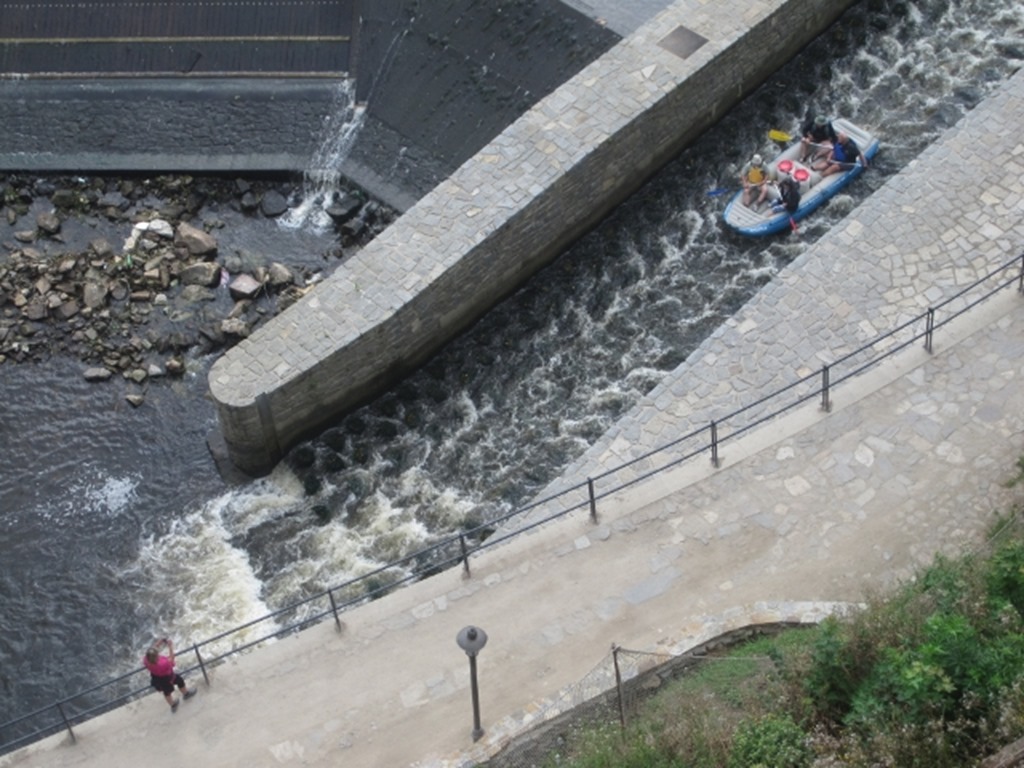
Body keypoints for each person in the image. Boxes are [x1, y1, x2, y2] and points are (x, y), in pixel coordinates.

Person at [143, 637, 197, 712]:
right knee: (180, 681)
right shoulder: (162, 664)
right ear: (156, 656)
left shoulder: (146, 660)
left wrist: (160, 642)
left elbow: (152, 651)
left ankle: (173, 705)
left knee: (166, 692)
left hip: (157, 679)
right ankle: (186, 694)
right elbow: (171, 659)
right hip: (168, 677)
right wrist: (170, 647)